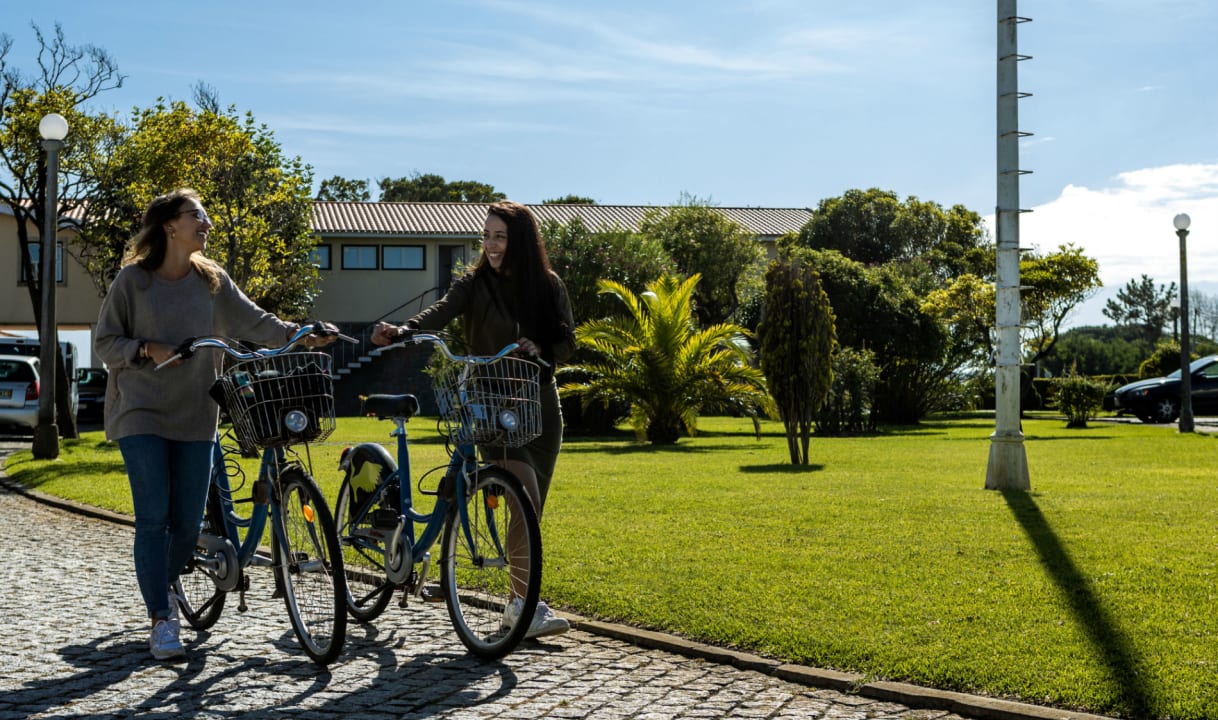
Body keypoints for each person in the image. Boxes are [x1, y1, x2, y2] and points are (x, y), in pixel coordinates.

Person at [94, 188, 335, 661]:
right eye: (196, 216)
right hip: (139, 410)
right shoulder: (133, 281)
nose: (206, 224)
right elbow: (105, 342)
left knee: (186, 523)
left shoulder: (212, 280)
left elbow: (256, 321)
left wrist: (301, 335)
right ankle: (161, 618)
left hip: (197, 413)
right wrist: (146, 349)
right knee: (154, 517)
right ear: (170, 225)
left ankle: (165, 586)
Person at [372, 200, 575, 639]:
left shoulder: (548, 285)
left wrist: (542, 347)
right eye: (487, 236)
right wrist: (405, 330)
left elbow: (567, 341)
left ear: (521, 240)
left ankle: (518, 605)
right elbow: (441, 310)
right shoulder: (474, 283)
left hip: (540, 405)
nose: (491, 245)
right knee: (523, 494)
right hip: (490, 402)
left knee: (530, 508)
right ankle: (525, 605)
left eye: (500, 236)